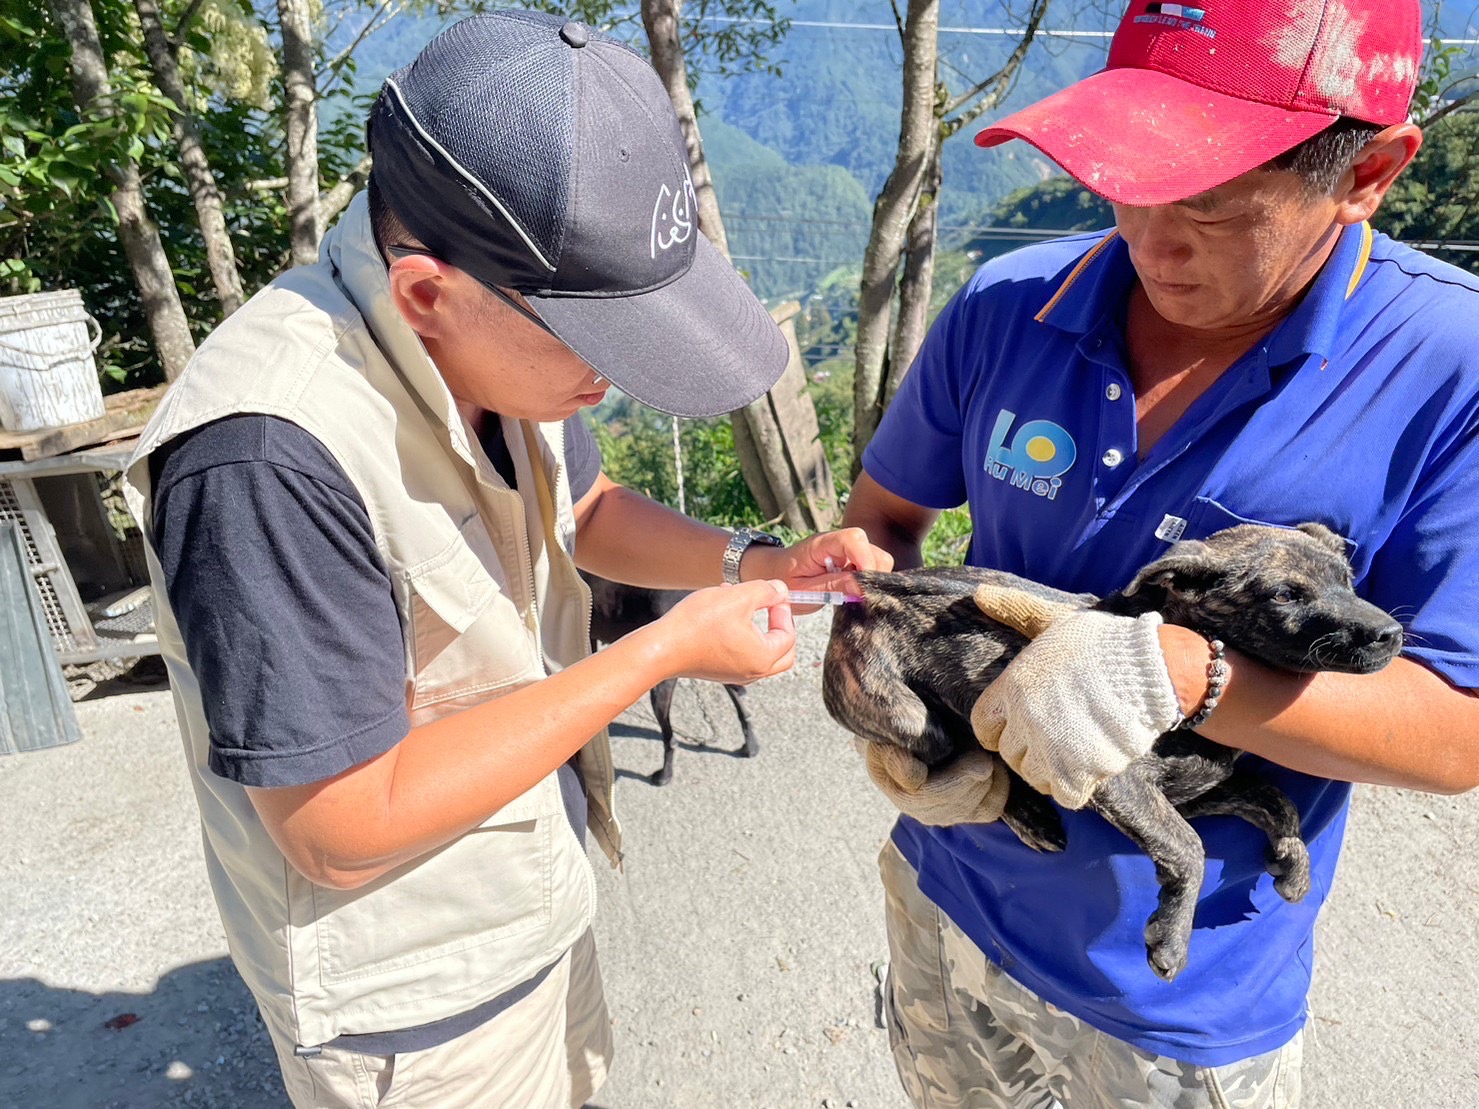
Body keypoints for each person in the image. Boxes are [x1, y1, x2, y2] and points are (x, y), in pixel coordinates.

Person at [122, 11, 886, 1108]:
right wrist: (658, 652)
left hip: (523, 901)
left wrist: (757, 561)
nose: (612, 379)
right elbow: (339, 824)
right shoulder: (264, 457)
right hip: (413, 1003)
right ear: (428, 291)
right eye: (598, 340)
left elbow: (583, 504)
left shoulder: (499, 345)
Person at [843, 1, 1479, 1105]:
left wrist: (1189, 675)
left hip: (1175, 1000)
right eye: (1121, 182)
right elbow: (884, 523)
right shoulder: (1008, 304)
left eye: (1212, 206)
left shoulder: (1449, 375)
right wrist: (877, 652)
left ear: (1368, 172)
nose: (1146, 240)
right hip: (946, 890)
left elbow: (1452, 733)